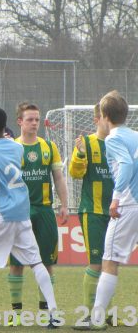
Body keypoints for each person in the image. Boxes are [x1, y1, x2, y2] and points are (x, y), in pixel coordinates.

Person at [0, 106, 60, 329]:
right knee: (36, 262)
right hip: (21, 212)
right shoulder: (17, 149)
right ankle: (54, 312)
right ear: (6, 125)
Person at [75, 91, 138, 330]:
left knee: (109, 261)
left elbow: (126, 165)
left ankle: (97, 317)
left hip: (128, 206)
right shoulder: (136, 135)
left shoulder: (112, 139)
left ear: (104, 115)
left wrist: (116, 198)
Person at [8, 102, 69, 325]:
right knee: (16, 263)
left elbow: (58, 178)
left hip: (44, 211)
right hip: (19, 212)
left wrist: (64, 204)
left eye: (37, 119)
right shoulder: (11, 147)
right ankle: (16, 314)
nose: (34, 123)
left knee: (46, 262)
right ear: (20, 122)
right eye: (30, 119)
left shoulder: (48, 147)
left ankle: (47, 313)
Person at [68, 102, 114, 322]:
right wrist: (79, 154)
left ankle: (106, 314)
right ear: (97, 120)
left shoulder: (119, 143)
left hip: (116, 213)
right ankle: (88, 313)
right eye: (106, 117)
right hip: (93, 212)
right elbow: (75, 174)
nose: (109, 121)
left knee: (110, 264)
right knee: (96, 262)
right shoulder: (86, 143)